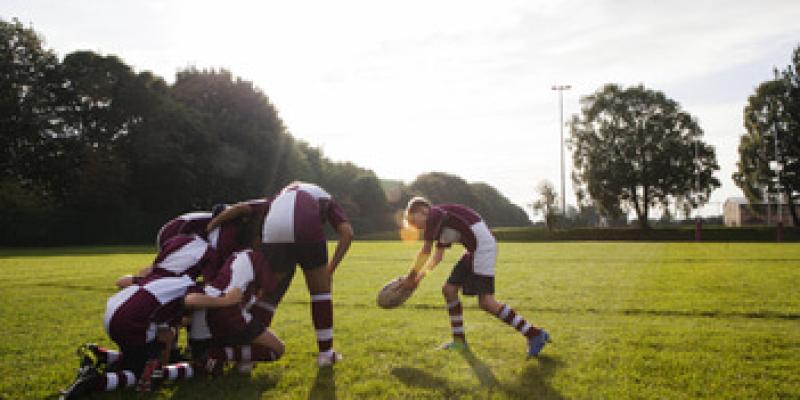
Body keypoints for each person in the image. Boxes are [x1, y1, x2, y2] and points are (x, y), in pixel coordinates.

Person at [207, 182, 354, 367]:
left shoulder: (277, 198)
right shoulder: (324, 197)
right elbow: (347, 233)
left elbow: (241, 208)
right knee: (320, 293)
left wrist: (210, 226)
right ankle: (326, 354)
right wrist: (330, 270)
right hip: (306, 226)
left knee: (269, 295)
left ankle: (247, 357)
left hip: (273, 229)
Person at [399, 197, 550, 357]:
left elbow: (426, 251)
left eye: (414, 221)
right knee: (449, 290)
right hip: (474, 250)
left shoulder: (435, 214)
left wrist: (410, 277)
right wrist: (418, 278)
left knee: (487, 302)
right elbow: (438, 256)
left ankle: (534, 334)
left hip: (482, 249)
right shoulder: (441, 221)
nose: (417, 227)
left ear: (423, 210)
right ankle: (459, 342)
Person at [60, 275, 242, 399]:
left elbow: (123, 281)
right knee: (146, 375)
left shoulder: (170, 279)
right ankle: (95, 381)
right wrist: (226, 301)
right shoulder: (192, 289)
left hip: (115, 312)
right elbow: (188, 306)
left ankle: (102, 355)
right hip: (130, 322)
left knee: (140, 359)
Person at [187, 248, 284, 375]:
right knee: (277, 350)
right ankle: (217, 356)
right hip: (225, 313)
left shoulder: (233, 260)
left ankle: (165, 371)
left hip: (201, 334)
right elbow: (271, 286)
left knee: (198, 366)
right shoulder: (253, 258)